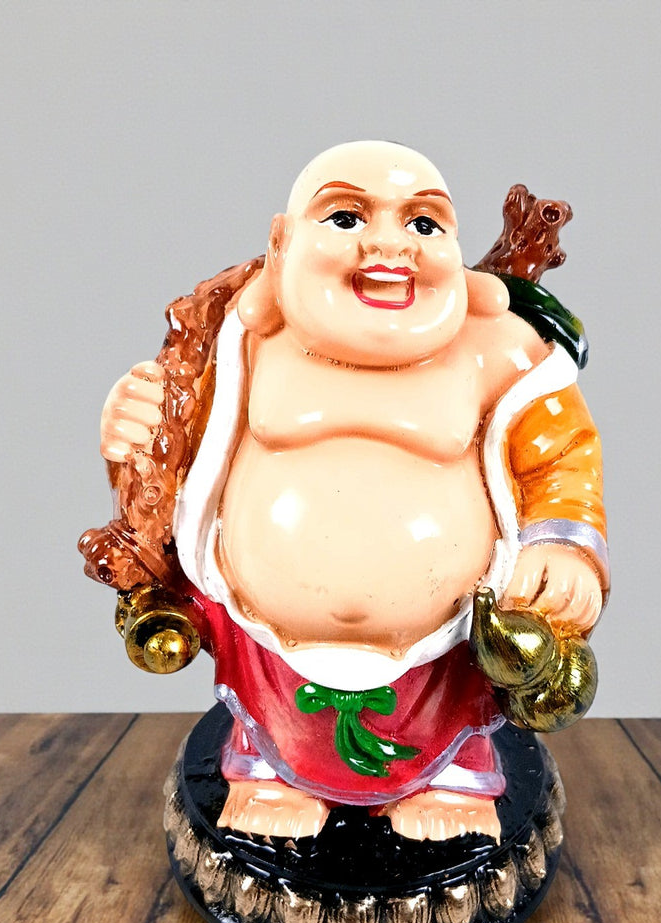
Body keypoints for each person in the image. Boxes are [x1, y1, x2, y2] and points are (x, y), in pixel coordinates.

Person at [86, 141, 607, 842]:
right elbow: (172, 449)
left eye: (424, 223)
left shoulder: (496, 350)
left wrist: (562, 544)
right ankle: (272, 771)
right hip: (270, 638)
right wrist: (133, 426)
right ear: (281, 244)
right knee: (274, 727)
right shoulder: (241, 342)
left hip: (444, 645)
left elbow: (561, 451)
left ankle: (449, 778)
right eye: (346, 217)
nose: (390, 245)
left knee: (451, 721)